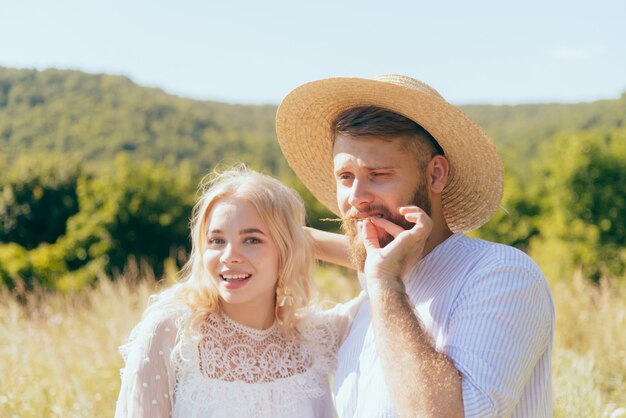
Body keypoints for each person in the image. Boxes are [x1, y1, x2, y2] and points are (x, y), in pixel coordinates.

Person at [275, 75, 555, 417]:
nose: (356, 199)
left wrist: (385, 284)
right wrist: (271, 235)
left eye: (378, 174)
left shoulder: (502, 275)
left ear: (435, 175)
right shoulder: (373, 292)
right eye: (345, 178)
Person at [114, 165, 362, 418]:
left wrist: (301, 237)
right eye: (217, 240)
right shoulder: (173, 332)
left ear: (287, 250)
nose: (229, 257)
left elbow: (390, 265)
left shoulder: (318, 339)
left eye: (252, 239)